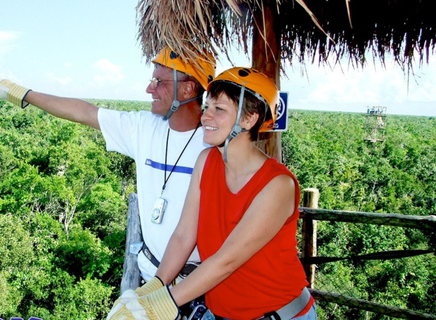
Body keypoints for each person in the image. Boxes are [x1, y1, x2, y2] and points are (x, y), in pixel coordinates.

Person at [0, 47, 216, 316]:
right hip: (150, 279)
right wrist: (19, 92)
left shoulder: (215, 146)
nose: (149, 89)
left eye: (159, 82)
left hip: (195, 288)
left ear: (187, 90)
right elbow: (82, 111)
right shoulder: (143, 128)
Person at [106, 67, 317, 320]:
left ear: (249, 119)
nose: (206, 116)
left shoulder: (277, 185)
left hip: (276, 313)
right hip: (220, 311)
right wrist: (156, 284)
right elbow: (184, 235)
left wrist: (156, 307)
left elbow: (226, 261)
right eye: (207, 107)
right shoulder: (206, 161)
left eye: (219, 110)